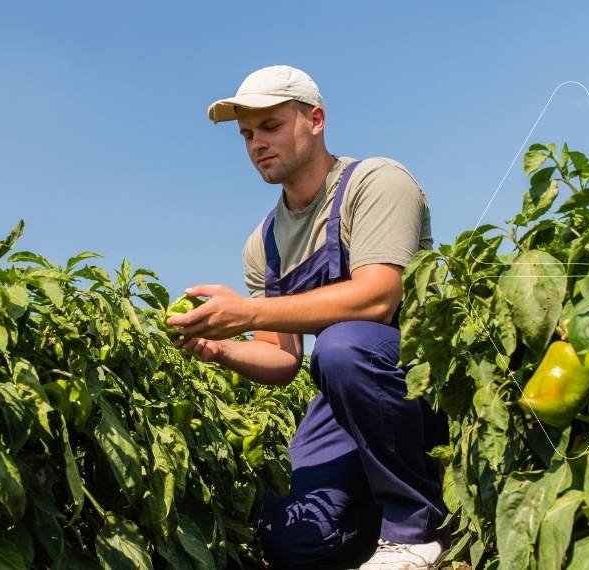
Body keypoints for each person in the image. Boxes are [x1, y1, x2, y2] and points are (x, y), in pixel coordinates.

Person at [165, 65, 447, 569]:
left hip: (424, 374)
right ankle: (382, 534)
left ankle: (413, 527)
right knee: (289, 535)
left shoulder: (377, 182)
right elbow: (282, 359)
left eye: (270, 127)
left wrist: (248, 310)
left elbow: (378, 298)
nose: (257, 145)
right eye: (247, 135)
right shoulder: (266, 242)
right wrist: (222, 346)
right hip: (351, 391)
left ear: (314, 120)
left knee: (343, 346)